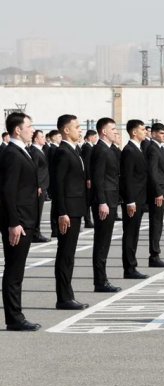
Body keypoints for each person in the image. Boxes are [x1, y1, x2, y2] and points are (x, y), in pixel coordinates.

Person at [0, 112, 40, 330]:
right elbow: (8, 191)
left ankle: (15, 315)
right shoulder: (12, 154)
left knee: (17, 270)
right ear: (17, 129)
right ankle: (14, 318)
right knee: (14, 271)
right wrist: (13, 222)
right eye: (29, 126)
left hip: (25, 219)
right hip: (19, 221)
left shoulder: (21, 151)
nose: (32, 130)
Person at [51, 114, 90, 310]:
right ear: (66, 130)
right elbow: (58, 185)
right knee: (65, 254)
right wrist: (62, 212)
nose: (80, 129)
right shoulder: (63, 152)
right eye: (76, 126)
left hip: (76, 209)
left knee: (69, 254)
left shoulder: (75, 150)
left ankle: (67, 295)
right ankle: (64, 297)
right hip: (68, 211)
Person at [90, 117, 122, 293]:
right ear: (104, 131)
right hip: (105, 202)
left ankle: (102, 279)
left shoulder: (108, 149)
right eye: (112, 129)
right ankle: (100, 281)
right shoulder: (100, 150)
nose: (115, 132)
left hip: (110, 200)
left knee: (105, 241)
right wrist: (102, 201)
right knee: (101, 242)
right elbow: (98, 178)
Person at [120, 119, 149, 279]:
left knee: (134, 233)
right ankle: (129, 268)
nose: (145, 132)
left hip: (139, 198)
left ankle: (132, 266)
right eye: (143, 129)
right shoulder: (129, 150)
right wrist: (130, 200)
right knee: (130, 234)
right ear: (134, 132)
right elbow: (127, 178)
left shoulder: (138, 149)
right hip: (133, 200)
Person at [144, 123, 164, 268]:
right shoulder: (153, 149)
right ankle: (154, 255)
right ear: (153, 134)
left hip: (163, 191)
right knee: (156, 224)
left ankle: (156, 254)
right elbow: (152, 173)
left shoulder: (160, 148)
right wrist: (158, 192)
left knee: (159, 223)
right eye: (161, 133)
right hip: (158, 193)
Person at [27, 129, 50, 242]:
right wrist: (37, 185)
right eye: (42, 137)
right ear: (36, 139)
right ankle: (35, 233)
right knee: (37, 210)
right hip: (39, 186)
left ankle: (36, 232)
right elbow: (34, 170)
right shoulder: (35, 152)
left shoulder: (40, 150)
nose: (44, 139)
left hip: (43, 184)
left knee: (38, 210)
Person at [81, 129, 98, 228]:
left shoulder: (90, 147)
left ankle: (88, 220)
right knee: (87, 200)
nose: (96, 139)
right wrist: (88, 178)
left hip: (89, 177)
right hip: (88, 178)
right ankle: (87, 220)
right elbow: (87, 164)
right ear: (90, 137)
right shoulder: (87, 147)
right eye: (95, 137)